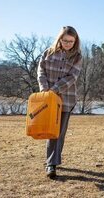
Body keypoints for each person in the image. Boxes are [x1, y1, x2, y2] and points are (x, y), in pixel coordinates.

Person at [37, 26, 82, 178]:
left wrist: (54, 90)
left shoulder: (77, 57)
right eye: (65, 40)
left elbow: (72, 77)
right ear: (59, 39)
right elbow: (40, 70)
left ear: (75, 41)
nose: (68, 43)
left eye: (71, 41)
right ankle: (52, 161)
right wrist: (44, 88)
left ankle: (52, 164)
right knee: (50, 130)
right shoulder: (48, 53)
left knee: (58, 133)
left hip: (66, 100)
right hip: (47, 99)